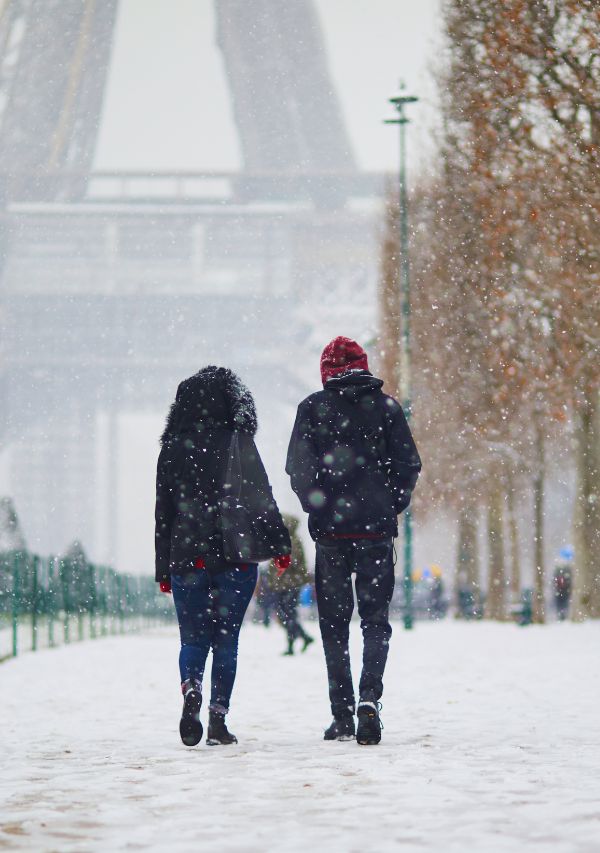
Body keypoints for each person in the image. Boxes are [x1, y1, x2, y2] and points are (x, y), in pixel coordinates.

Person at [286, 337, 421, 745]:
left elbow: (298, 468)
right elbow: (408, 465)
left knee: (333, 624)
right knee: (375, 621)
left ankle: (341, 712)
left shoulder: (312, 408)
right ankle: (369, 697)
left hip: (331, 533)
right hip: (375, 531)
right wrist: (387, 504)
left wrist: (319, 505)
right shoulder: (387, 408)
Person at [155, 366, 291, 747]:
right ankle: (217, 719)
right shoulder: (237, 441)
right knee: (227, 640)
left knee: (193, 640)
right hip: (235, 553)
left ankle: (191, 687)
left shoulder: (171, 448)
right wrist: (280, 545)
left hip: (186, 556)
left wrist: (162, 567)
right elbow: (262, 497)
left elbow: (163, 514)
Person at [267, 514, 314, 656]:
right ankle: (303, 637)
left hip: (290, 584)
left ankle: (292, 644)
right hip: (283, 584)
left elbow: (293, 563)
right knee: (285, 615)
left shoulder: (293, 541)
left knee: (288, 614)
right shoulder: (283, 540)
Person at [553, 547, 573, 621]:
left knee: (562, 603)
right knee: (562, 603)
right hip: (563, 590)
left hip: (561, 590)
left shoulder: (560, 568)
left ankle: (562, 616)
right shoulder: (566, 568)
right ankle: (562, 616)